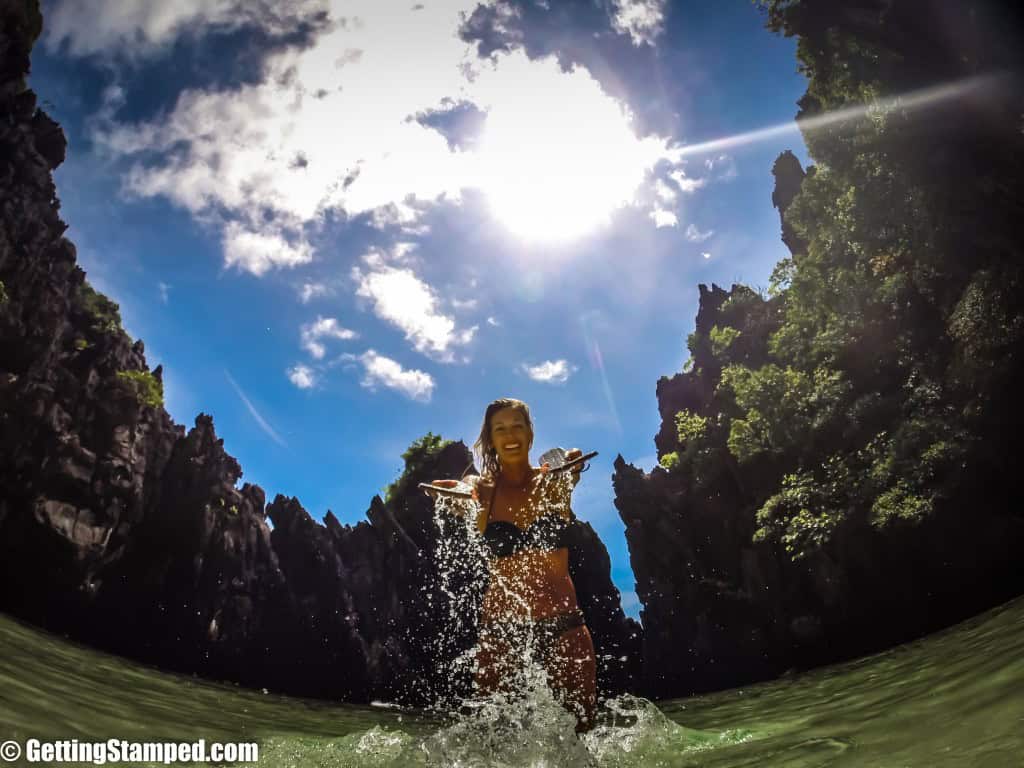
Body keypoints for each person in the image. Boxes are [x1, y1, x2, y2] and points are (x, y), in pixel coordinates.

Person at [425, 397, 597, 732]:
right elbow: (465, 487)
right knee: (495, 737)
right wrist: (456, 491)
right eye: (499, 429)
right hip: (501, 631)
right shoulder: (482, 489)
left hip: (565, 624)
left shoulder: (555, 480)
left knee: (583, 730)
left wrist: (570, 459)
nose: (510, 434)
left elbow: (574, 458)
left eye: (517, 425)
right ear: (490, 439)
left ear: (530, 434)